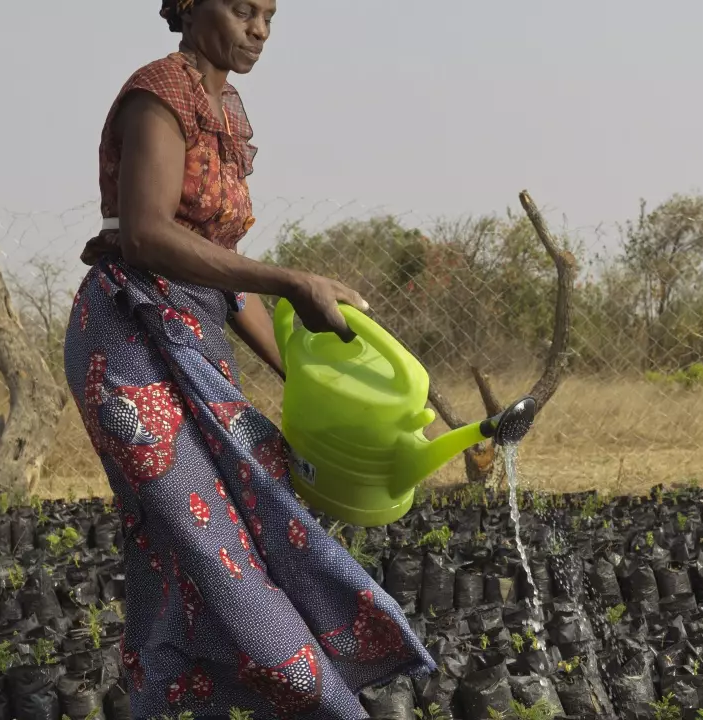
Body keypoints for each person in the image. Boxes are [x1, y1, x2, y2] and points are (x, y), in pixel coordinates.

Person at [64, 1, 435, 717]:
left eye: (269, 14)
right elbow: (144, 235)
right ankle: (320, 699)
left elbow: (222, 268)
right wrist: (293, 280)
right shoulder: (158, 96)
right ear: (193, 6)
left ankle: (171, 703)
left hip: (194, 333)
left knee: (232, 511)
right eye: (242, 9)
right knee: (208, 540)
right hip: (129, 338)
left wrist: (312, 377)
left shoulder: (224, 110)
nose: (260, 29)